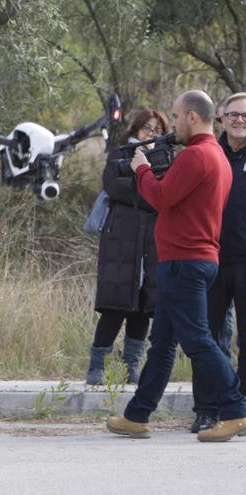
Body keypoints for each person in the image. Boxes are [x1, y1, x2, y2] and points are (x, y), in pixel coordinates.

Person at [107, 90, 246, 442]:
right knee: (164, 343)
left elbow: (160, 197)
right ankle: (138, 415)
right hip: (189, 259)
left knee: (198, 339)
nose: (175, 123)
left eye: (178, 116)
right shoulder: (216, 155)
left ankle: (235, 408)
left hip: (185, 261)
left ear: (193, 117)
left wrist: (141, 170)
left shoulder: (197, 155)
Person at [86, 110, 167, 385]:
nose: (151, 133)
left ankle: (131, 366)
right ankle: (96, 367)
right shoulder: (119, 154)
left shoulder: (165, 157)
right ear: (135, 128)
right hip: (121, 239)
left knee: (143, 307)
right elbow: (113, 186)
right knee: (114, 305)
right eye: (146, 128)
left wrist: (142, 181)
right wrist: (146, 185)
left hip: (152, 243)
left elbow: (164, 193)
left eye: (157, 129)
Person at [192, 92, 246, 432]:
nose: (240, 120)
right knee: (208, 338)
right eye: (234, 115)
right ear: (221, 119)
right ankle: (207, 410)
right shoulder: (209, 155)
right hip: (209, 259)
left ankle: (238, 409)